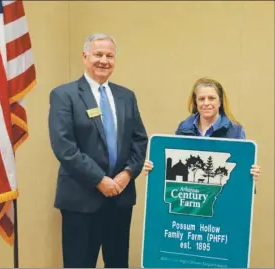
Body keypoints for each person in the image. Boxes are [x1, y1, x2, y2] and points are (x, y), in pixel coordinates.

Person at [48, 33, 148, 268]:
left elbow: (139, 140)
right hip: (81, 199)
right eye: (98, 54)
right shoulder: (64, 95)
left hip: (120, 198)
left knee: (117, 263)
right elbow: (64, 147)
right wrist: (100, 179)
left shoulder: (126, 96)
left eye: (109, 56)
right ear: (85, 57)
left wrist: (127, 174)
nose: (104, 60)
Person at [143, 77, 260, 180]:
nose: (206, 103)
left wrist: (250, 175)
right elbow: (173, 165)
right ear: (195, 102)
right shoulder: (183, 129)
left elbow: (241, 169)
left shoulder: (235, 131)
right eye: (201, 99)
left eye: (211, 98)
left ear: (220, 102)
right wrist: (155, 169)